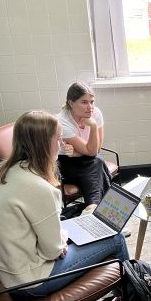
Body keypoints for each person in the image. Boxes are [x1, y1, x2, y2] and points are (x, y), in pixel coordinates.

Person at [0, 111, 128, 301]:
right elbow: (53, 251)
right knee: (115, 237)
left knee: (74, 220)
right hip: (30, 282)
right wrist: (62, 238)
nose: (62, 144)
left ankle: (122, 292)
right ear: (44, 144)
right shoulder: (40, 189)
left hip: (2, 271)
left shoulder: (3, 173)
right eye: (58, 139)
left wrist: (61, 234)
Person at [57, 82, 112, 212]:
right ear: (71, 103)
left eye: (92, 102)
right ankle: (103, 213)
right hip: (64, 163)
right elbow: (92, 151)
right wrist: (93, 127)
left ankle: (93, 209)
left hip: (87, 159)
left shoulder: (96, 113)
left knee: (97, 162)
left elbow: (96, 149)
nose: (90, 107)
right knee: (98, 162)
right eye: (84, 102)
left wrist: (77, 153)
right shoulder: (62, 122)